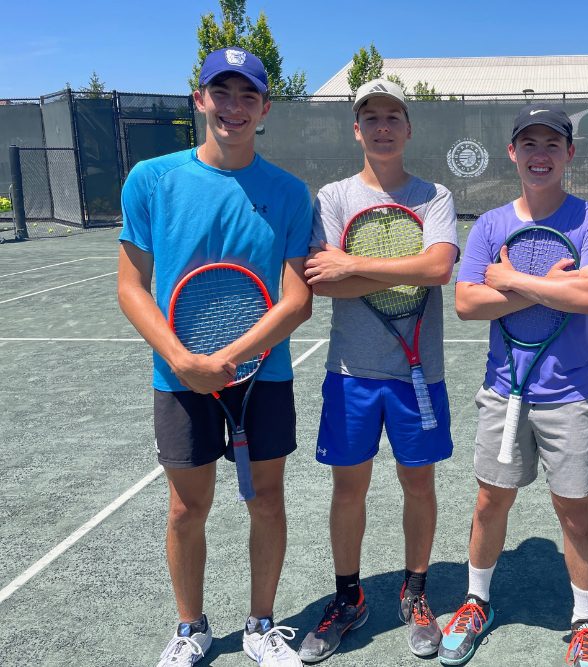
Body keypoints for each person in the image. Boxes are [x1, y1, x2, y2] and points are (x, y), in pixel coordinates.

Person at [117, 47, 313, 667]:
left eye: (247, 96)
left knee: (268, 501)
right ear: (199, 99)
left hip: (263, 376)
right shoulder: (150, 180)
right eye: (220, 93)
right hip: (178, 377)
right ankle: (190, 628)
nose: (234, 107)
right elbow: (130, 286)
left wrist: (224, 357)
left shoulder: (288, 193)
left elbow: (298, 300)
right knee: (186, 507)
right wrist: (182, 359)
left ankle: (260, 625)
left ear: (265, 109)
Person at [441, 104, 588, 667]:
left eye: (552, 145)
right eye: (529, 144)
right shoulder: (490, 224)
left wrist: (512, 279)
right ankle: (476, 601)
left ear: (569, 154)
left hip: (570, 396)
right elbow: (468, 303)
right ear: (513, 153)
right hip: (503, 392)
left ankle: (585, 622)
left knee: (574, 510)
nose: (540, 155)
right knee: (490, 501)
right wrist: (547, 288)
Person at [297, 78, 459, 663]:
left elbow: (439, 267)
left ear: (408, 128)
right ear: (356, 129)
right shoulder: (333, 198)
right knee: (350, 487)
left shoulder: (434, 196)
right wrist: (400, 268)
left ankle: (415, 592)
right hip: (350, 373)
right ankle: (349, 598)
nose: (383, 126)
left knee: (419, 482)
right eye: (372, 117)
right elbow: (321, 277)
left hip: (422, 373)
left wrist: (356, 265)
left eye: (394, 115)